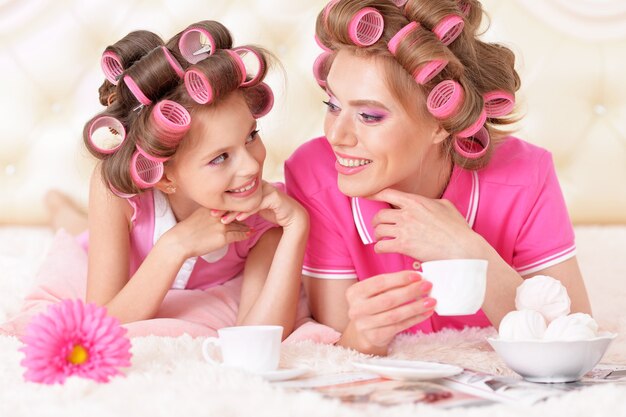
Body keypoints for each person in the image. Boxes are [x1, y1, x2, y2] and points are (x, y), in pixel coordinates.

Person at [285, 0, 591, 355]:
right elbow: (335, 351)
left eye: (369, 116)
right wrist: (362, 337)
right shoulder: (314, 173)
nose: (337, 135)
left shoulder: (525, 174)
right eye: (333, 105)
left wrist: (467, 249)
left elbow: (575, 339)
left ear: (442, 121)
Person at [4, 21, 315, 341]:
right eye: (220, 157)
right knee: (75, 231)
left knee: (79, 225)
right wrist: (175, 245)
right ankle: (57, 206)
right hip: (131, 253)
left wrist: (297, 226)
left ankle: (63, 209)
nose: (251, 166)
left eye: (251, 136)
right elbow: (103, 321)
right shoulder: (117, 192)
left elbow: (261, 337)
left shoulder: (262, 213)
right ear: (164, 176)